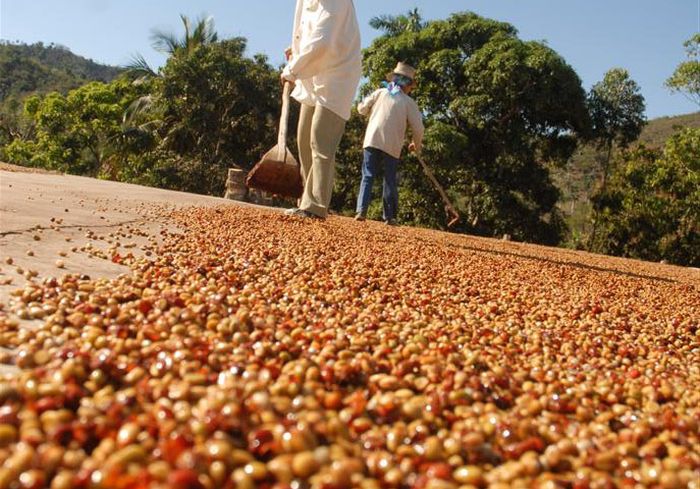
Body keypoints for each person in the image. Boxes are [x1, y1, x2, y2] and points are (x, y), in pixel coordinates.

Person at [281, 0, 362, 220]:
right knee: (303, 138)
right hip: (314, 74)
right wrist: (296, 51)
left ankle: (316, 206)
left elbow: (323, 41)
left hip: (338, 74)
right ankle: (305, 202)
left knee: (320, 138)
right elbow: (307, 30)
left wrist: (293, 69)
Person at [354, 62, 424, 225]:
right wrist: (416, 144)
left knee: (368, 175)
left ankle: (361, 211)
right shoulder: (408, 103)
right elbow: (419, 128)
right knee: (390, 179)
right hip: (392, 145)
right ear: (407, 85)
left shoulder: (380, 93)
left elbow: (361, 108)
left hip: (373, 138)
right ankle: (389, 217)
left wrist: (366, 110)